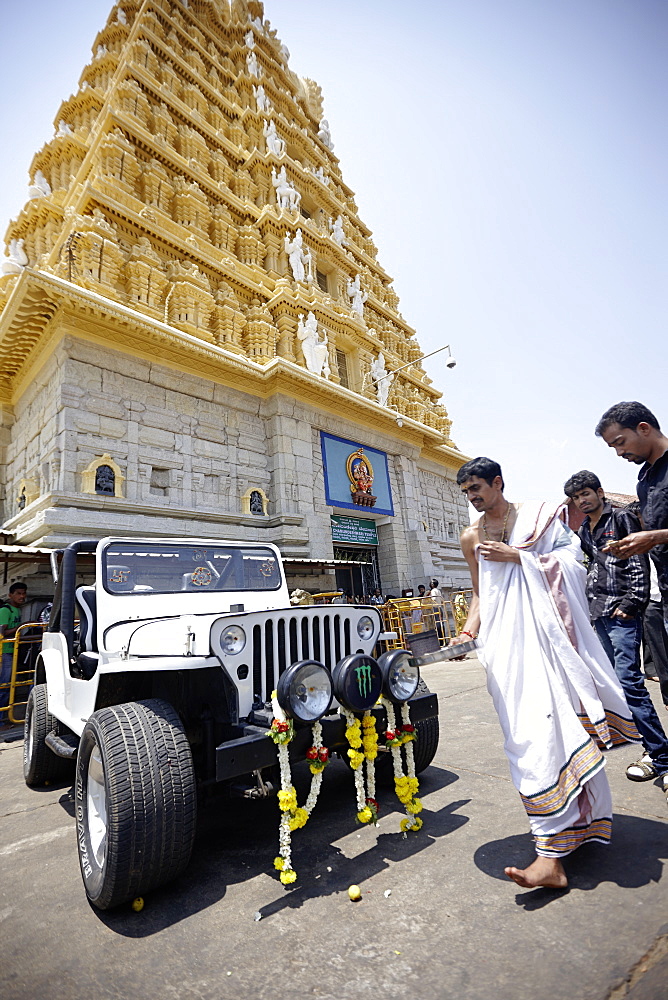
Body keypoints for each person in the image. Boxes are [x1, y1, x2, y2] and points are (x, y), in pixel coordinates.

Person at [452, 457, 638, 890]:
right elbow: (482, 593)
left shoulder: (539, 517)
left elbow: (574, 564)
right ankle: (569, 831)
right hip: (505, 652)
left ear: (498, 483)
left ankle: (550, 855)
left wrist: (519, 557)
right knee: (525, 738)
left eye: (477, 487)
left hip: (550, 647)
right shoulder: (471, 537)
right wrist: (467, 631)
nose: (473, 497)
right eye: (466, 493)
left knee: (547, 737)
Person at [564, 471, 668, 786]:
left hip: (622, 613)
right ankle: (656, 750)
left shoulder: (620, 518)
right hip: (600, 613)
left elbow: (637, 562)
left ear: (599, 491)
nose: (582, 501)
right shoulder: (584, 528)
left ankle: (661, 757)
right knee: (619, 686)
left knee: (630, 682)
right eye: (577, 497)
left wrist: (631, 604)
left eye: (586, 493)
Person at [596, 402, 668, 791]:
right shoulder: (645, 479)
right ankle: (662, 756)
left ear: (644, 428)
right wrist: (636, 546)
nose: (619, 453)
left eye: (620, 443)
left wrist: (653, 538)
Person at [0, 582, 27, 726]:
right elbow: (1, 633)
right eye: (18, 593)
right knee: (3, 686)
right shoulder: (6, 610)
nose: (22, 596)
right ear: (10, 595)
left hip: (11, 652)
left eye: (23, 593)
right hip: (4, 653)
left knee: (7, 686)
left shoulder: (17, 610)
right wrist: (20, 627)